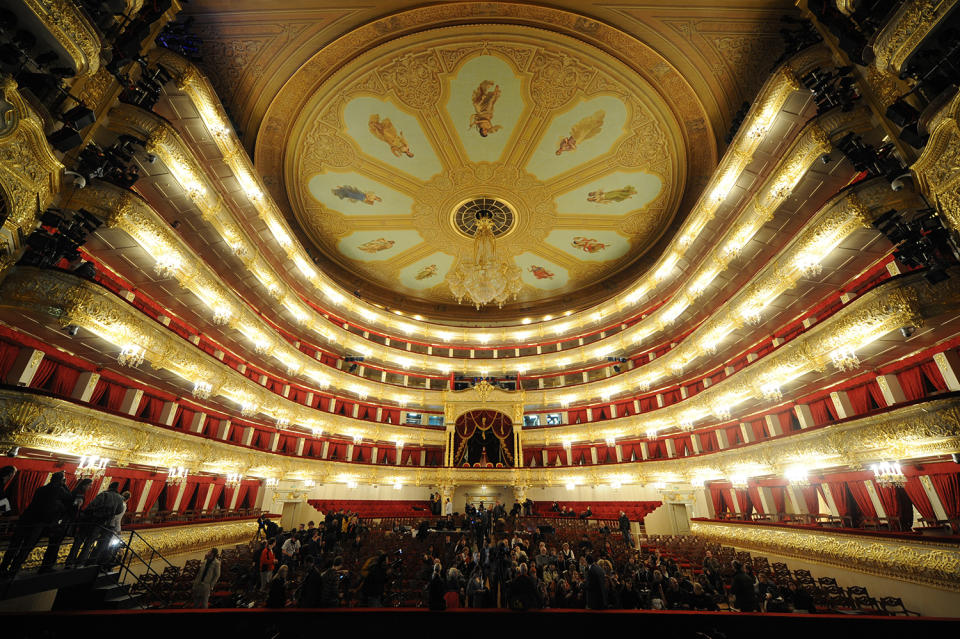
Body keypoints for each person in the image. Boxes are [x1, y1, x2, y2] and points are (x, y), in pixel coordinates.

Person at [0, 471, 73, 577]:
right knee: (26, 548)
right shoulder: (58, 490)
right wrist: (64, 485)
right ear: (61, 480)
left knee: (14, 546)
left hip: (26, 519)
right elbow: (70, 498)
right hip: (38, 523)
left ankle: (3, 568)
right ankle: (13, 571)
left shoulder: (41, 488)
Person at [66, 481, 125, 568]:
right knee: (93, 544)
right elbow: (119, 511)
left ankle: (71, 561)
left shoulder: (104, 495)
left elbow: (91, 505)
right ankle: (83, 563)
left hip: (93, 521)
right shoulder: (120, 498)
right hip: (106, 524)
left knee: (81, 541)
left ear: (109, 487)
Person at [40, 478, 92, 573]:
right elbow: (75, 508)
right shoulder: (79, 494)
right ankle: (47, 566)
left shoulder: (74, 492)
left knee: (54, 544)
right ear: (84, 485)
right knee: (55, 544)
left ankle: (46, 565)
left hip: (61, 521)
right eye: (89, 485)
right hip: (65, 523)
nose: (90, 487)